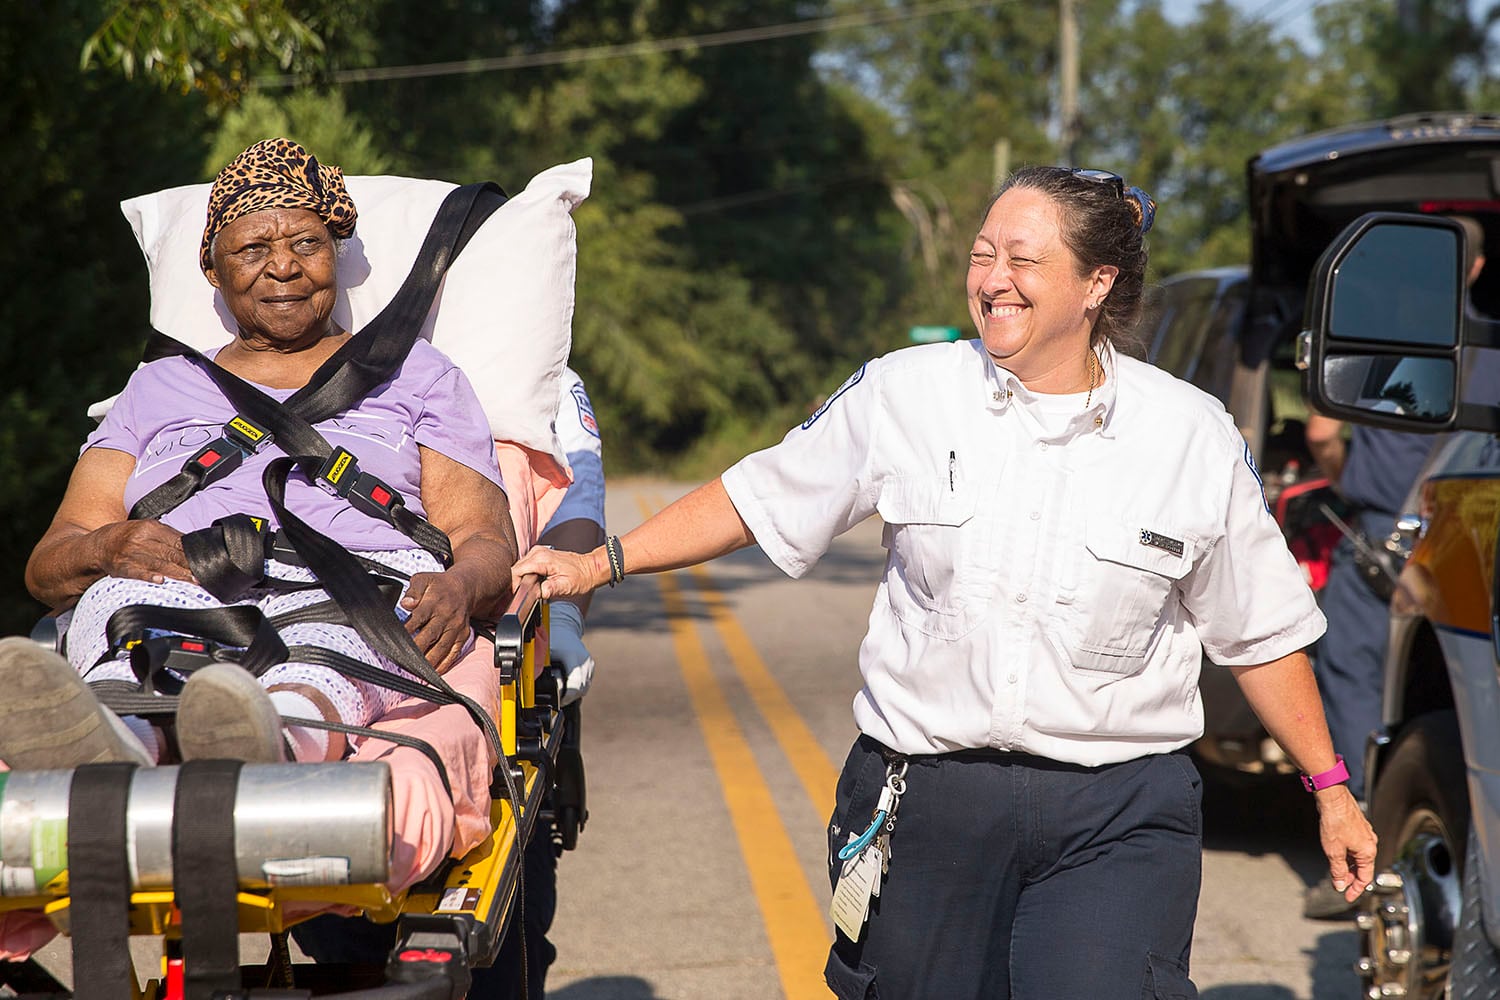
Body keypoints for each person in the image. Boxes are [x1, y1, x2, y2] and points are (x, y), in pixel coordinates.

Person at [513, 165, 1377, 999]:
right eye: (981, 254)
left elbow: (1260, 632)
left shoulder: (1188, 434)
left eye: (1023, 260)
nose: (993, 279)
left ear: (1096, 284)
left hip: (1117, 814)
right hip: (925, 802)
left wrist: (1330, 790)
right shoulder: (907, 393)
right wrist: (601, 559)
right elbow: (760, 495)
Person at [0, 136, 517, 771]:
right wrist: (106, 549)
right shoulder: (156, 386)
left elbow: (482, 534)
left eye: (307, 243)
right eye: (253, 249)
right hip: (176, 581)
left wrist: (461, 586)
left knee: (315, 667)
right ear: (213, 271)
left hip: (357, 585)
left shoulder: (417, 374)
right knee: (136, 647)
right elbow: (50, 562)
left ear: (334, 253)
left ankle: (274, 740)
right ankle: (125, 741)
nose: (284, 268)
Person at [292, 364, 607, 998]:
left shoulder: (533, 379)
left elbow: (578, 496)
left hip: (476, 646)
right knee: (339, 944)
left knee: (508, 942)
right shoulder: (263, 379)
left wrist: (563, 620)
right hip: (316, 617)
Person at [1300, 213, 1486, 919]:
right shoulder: (1488, 346)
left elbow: (1320, 430)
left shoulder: (1387, 336)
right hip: (1470, 538)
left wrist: (1347, 476)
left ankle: (1359, 861)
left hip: (1380, 537)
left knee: (1355, 688)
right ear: (1475, 270)